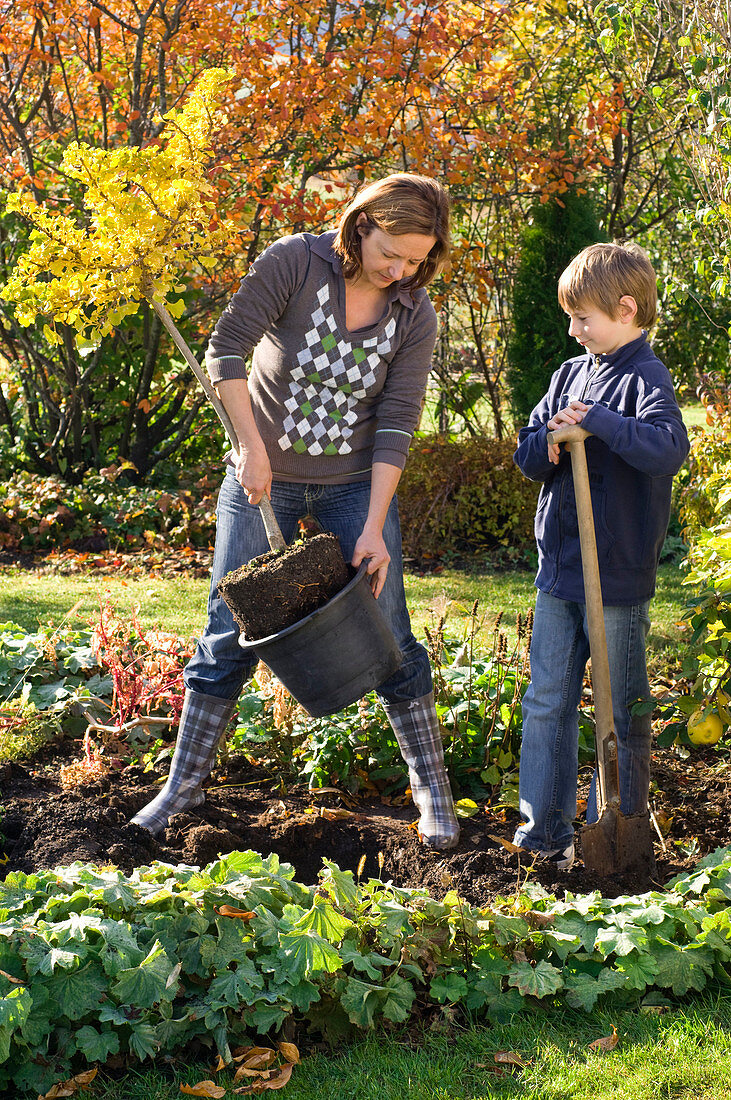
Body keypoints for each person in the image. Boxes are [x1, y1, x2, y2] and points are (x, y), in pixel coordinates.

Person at [131, 173, 460, 849]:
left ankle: (431, 795)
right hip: (264, 477)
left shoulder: (412, 311)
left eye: (415, 260)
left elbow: (397, 419)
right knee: (227, 628)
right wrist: (251, 450)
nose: (400, 269)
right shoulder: (294, 262)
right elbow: (226, 350)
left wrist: (371, 526)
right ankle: (180, 789)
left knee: (390, 631)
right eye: (391, 252)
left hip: (350, 489)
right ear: (361, 222)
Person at [511, 242, 689, 870]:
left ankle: (617, 824)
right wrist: (552, 439)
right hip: (559, 572)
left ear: (626, 308)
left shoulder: (648, 378)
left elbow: (668, 449)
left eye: (583, 318)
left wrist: (602, 424)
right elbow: (527, 452)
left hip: (614, 576)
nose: (573, 329)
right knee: (547, 700)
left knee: (619, 705)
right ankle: (545, 834)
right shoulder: (568, 373)